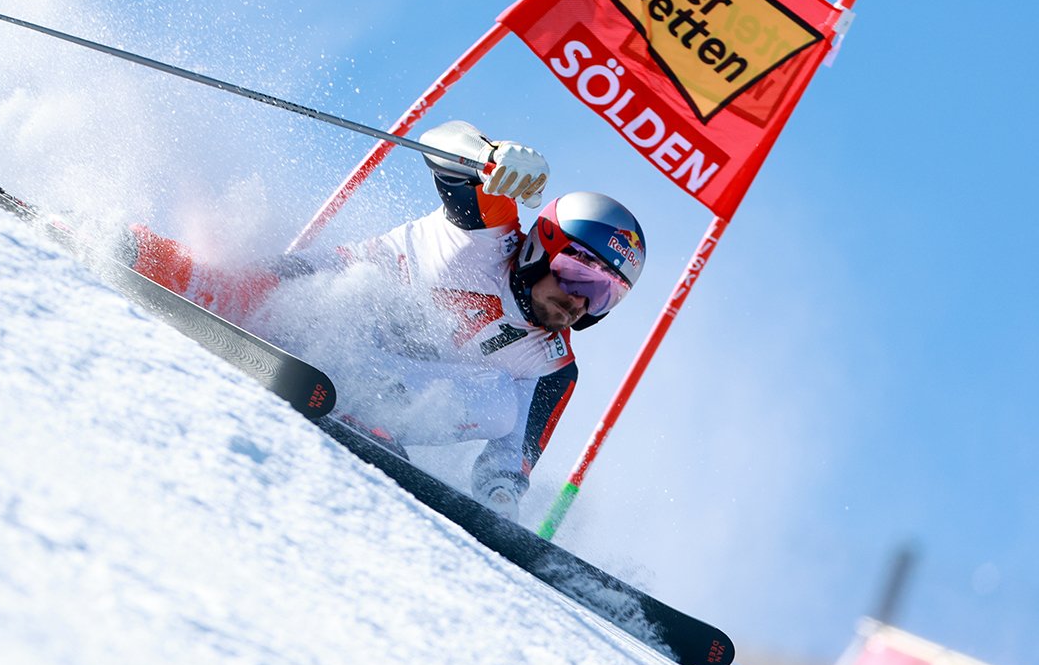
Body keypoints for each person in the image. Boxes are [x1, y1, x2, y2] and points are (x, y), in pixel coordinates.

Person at [123, 121, 647, 519]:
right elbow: (441, 142)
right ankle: (118, 243)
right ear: (541, 246)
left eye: (604, 295)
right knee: (221, 285)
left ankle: (365, 417)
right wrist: (488, 157)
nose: (581, 301)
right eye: (578, 274)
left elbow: (511, 459)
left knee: (501, 407)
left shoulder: (552, 364)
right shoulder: (488, 233)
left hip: (364, 385)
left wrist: (501, 502)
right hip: (306, 304)